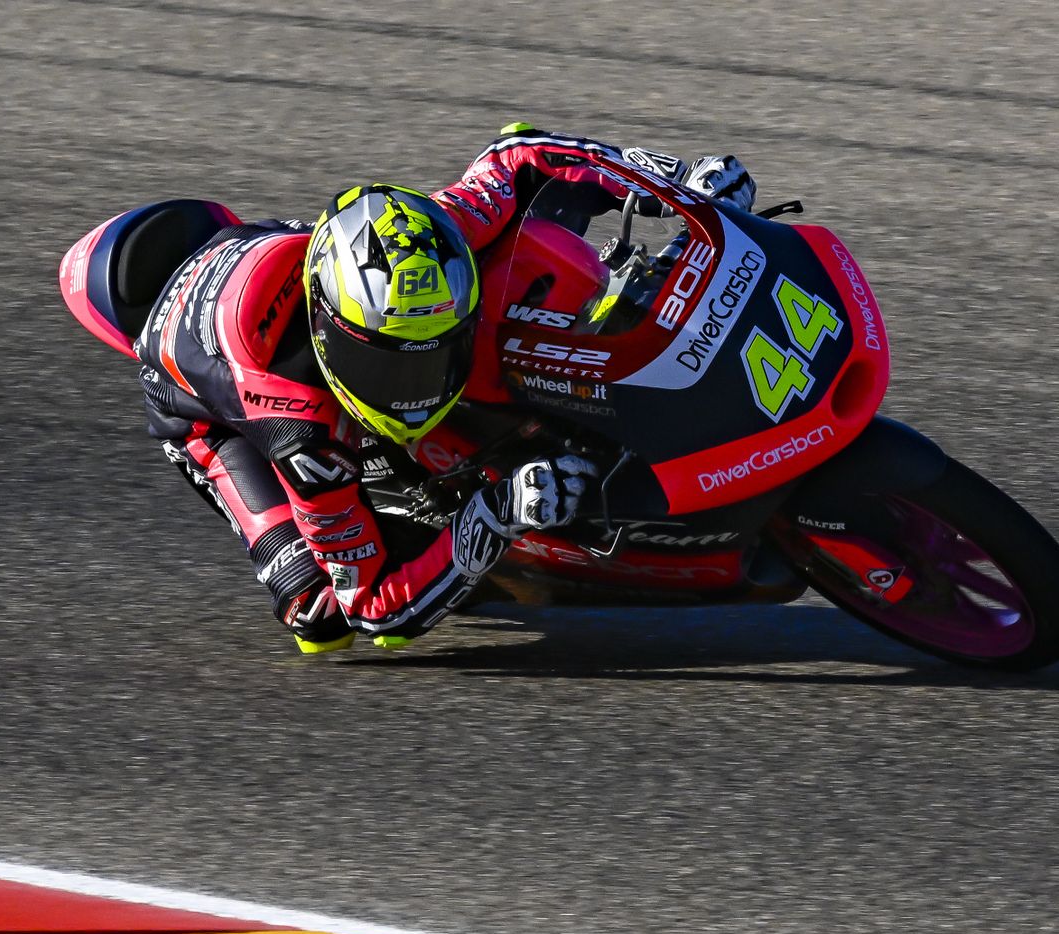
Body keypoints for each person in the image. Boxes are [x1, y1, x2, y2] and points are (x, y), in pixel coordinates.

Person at [130, 124, 757, 653]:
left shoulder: (437, 237)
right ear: (332, 334)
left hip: (268, 255)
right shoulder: (297, 427)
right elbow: (373, 609)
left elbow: (518, 153)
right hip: (203, 408)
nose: (418, 391)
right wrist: (498, 513)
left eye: (435, 357)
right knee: (320, 620)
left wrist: (673, 186)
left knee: (525, 241)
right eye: (395, 368)